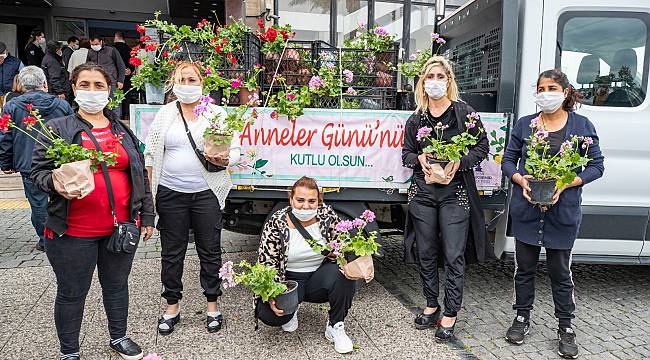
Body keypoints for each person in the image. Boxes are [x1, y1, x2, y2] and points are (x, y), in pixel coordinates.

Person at [30, 63, 155, 360]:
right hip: (73, 231)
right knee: (72, 292)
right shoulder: (58, 129)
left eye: (99, 85)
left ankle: (119, 337)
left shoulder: (121, 130)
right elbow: (37, 171)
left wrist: (147, 216)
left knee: (116, 286)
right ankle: (69, 351)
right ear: (74, 89)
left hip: (120, 228)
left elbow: (139, 174)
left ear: (109, 91)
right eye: (84, 84)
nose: (92, 91)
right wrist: (55, 183)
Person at [501, 69, 604, 359]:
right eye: (541, 88)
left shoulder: (582, 125)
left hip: (563, 211)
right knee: (525, 269)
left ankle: (566, 326)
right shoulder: (525, 125)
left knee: (560, 272)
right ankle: (521, 317)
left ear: (566, 92)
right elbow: (509, 160)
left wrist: (566, 182)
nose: (546, 93)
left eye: (552, 87)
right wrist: (520, 179)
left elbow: (596, 166)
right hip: (527, 210)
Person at [143, 61, 241, 335]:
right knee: (171, 253)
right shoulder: (165, 114)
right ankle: (171, 306)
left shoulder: (216, 113)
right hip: (170, 194)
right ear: (173, 83)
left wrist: (226, 158)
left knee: (209, 251)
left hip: (205, 194)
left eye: (192, 80)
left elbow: (236, 150)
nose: (187, 85)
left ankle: (213, 305)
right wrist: (147, 198)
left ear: (202, 84)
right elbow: (150, 155)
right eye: (182, 79)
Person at [401, 56, 491, 342]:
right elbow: (405, 154)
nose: (435, 82)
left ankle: (450, 313)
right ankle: (431, 303)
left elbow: (482, 147)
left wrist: (459, 162)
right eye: (430, 76)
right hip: (424, 195)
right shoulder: (416, 118)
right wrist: (421, 158)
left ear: (449, 81)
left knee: (454, 255)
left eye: (440, 76)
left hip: (456, 194)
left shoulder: (464, 113)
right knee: (426, 252)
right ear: (422, 83)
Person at [255, 176, 357, 354]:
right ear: (291, 199)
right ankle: (292, 306)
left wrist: (337, 251)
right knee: (269, 315)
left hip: (318, 277)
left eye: (312, 201)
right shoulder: (276, 222)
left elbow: (345, 243)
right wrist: (271, 293)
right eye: (300, 200)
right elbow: (266, 262)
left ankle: (336, 326)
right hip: (287, 282)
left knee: (345, 275)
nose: (305, 206)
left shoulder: (327, 216)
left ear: (319, 201)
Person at [0, 66, 73, 251]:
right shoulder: (62, 105)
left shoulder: (12, 106)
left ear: (22, 85)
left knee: (38, 203)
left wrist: (6, 163)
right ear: (44, 83)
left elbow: (5, 137)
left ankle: (46, 238)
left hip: (29, 163)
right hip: (59, 161)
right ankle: (64, 234)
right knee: (63, 198)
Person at [87, 35, 125, 117]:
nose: (94, 46)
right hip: (96, 81)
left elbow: (121, 65)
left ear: (101, 42)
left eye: (96, 44)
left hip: (111, 81)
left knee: (114, 102)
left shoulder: (111, 50)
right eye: (92, 44)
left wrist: (120, 80)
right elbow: (87, 66)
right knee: (98, 102)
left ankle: (116, 121)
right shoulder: (90, 52)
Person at [112, 31, 135, 117]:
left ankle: (116, 116)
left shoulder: (113, 49)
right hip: (127, 76)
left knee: (116, 96)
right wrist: (130, 69)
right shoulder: (129, 49)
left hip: (116, 76)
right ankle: (126, 114)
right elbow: (133, 63)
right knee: (126, 95)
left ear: (116, 37)